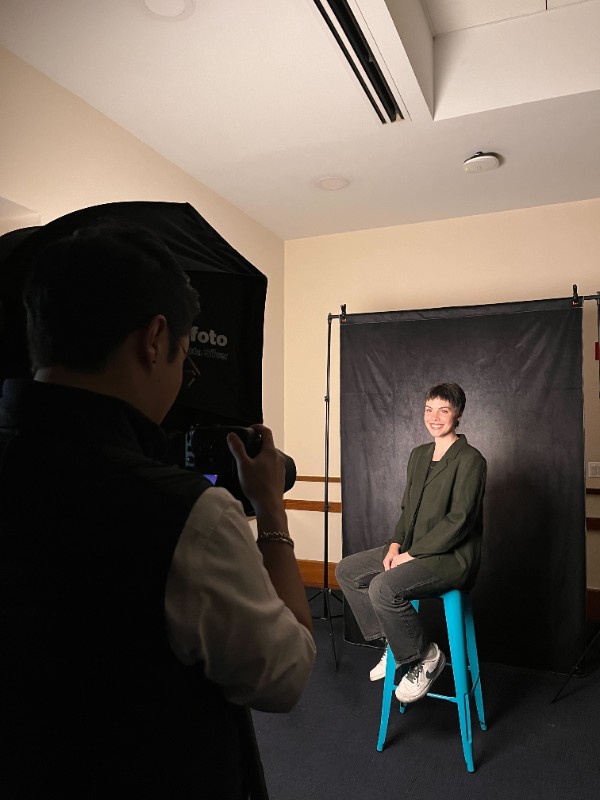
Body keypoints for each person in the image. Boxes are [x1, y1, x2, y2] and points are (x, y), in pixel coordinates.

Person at [0, 221, 315, 799]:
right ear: (154, 339)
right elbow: (287, 674)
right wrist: (270, 509)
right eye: (185, 356)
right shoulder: (188, 516)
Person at [335, 383, 486, 703]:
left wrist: (411, 555)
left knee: (382, 587)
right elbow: (408, 511)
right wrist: (394, 546)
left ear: (457, 414)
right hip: (411, 548)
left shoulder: (471, 459)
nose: (434, 417)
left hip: (451, 558)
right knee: (348, 570)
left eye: (443, 410)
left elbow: (459, 522)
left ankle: (425, 656)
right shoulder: (419, 455)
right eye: (429, 409)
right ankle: (395, 642)